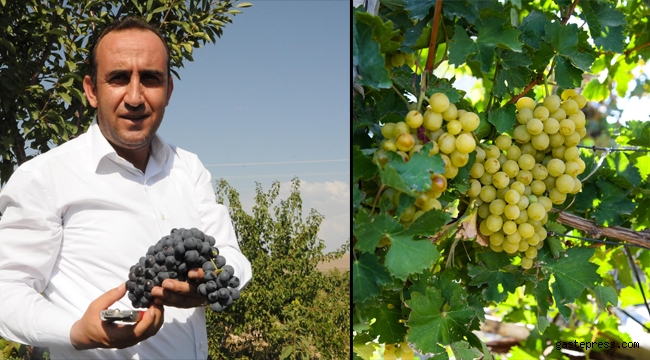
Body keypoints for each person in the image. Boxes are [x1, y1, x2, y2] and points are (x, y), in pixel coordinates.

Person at [0, 16, 252, 359]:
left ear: (169, 90)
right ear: (91, 90)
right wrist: (76, 331)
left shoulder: (189, 168)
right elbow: (7, 290)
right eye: (118, 78)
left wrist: (212, 281)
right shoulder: (44, 178)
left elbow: (231, 255)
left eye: (150, 79)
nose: (135, 97)